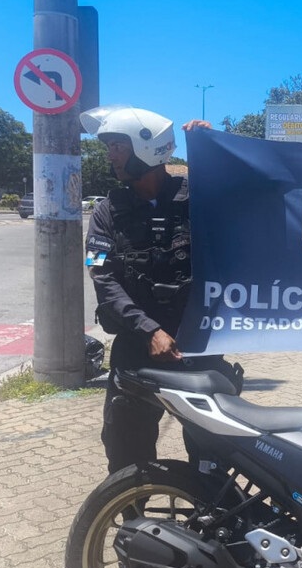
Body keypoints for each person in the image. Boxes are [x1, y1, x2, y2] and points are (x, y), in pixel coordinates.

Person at [80, 105, 243, 474]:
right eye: (109, 147)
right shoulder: (107, 210)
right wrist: (149, 329)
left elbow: (242, 199)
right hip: (137, 347)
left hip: (198, 346)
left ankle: (213, 524)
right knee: (125, 451)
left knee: (214, 452)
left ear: (146, 147)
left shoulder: (199, 200)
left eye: (117, 146)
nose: (110, 155)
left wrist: (211, 147)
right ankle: (133, 522)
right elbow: (100, 275)